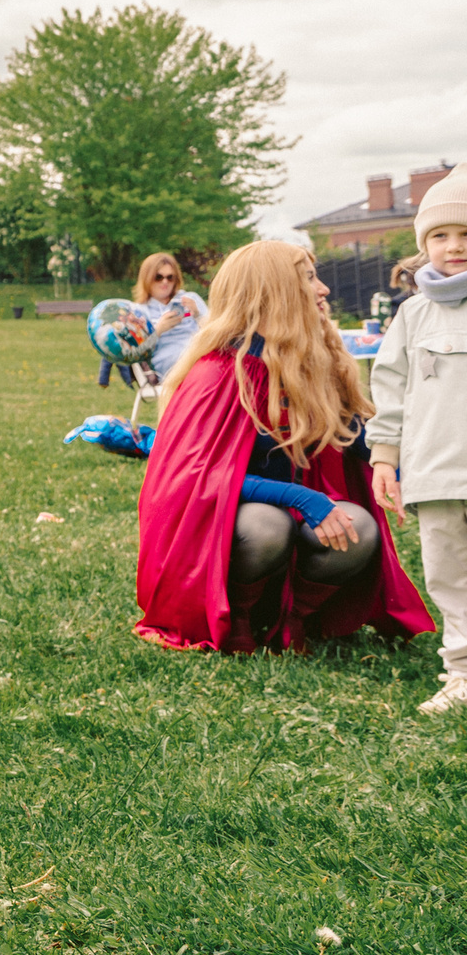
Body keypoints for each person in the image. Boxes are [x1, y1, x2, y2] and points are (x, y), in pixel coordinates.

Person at [134, 241, 430, 655]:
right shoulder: (216, 372)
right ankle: (239, 620)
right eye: (309, 278)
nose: (323, 289)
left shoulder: (312, 362)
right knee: (267, 524)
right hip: (227, 542)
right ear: (272, 290)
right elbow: (197, 478)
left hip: (297, 522)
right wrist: (301, 497)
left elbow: (356, 436)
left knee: (358, 528)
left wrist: (406, 469)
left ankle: (293, 620)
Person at [369, 170, 467, 714]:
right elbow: (391, 390)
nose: (454, 246)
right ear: (423, 243)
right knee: (447, 572)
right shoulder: (412, 314)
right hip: (434, 471)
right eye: (440, 235)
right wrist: (385, 458)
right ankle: (461, 673)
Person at [132, 251, 205, 388]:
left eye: (170, 277)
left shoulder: (190, 299)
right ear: (147, 278)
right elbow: (137, 353)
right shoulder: (139, 311)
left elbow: (217, 331)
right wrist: (158, 330)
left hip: (199, 354)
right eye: (158, 277)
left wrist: (197, 315)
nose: (165, 282)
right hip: (169, 362)